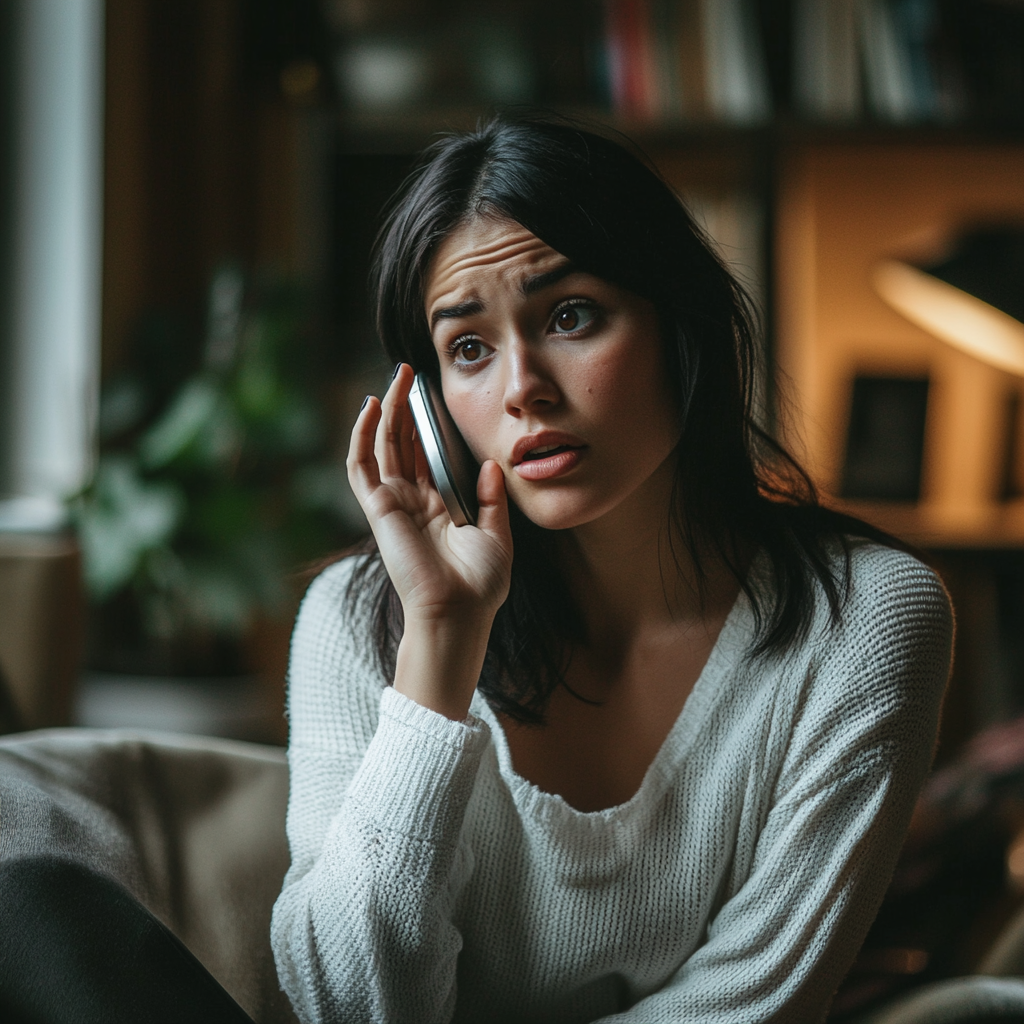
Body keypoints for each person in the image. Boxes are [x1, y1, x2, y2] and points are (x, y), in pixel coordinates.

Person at [270, 116, 953, 1024]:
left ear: (681, 325)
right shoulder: (359, 621)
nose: (523, 388)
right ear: (430, 407)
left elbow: (751, 1011)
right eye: (467, 347)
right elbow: (344, 1008)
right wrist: (439, 640)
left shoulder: (864, 621)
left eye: (569, 316)